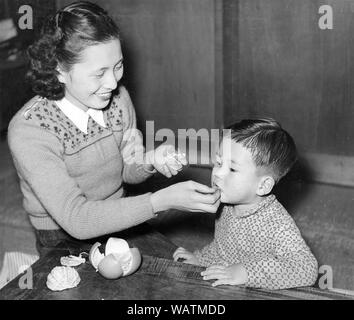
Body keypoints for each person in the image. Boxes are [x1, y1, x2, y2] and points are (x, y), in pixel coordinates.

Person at [7, 1, 220, 257]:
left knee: (180, 270)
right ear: (59, 70)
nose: (113, 82)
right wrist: (161, 201)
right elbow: (76, 219)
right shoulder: (30, 130)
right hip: (62, 236)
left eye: (118, 66)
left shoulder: (118, 99)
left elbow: (127, 168)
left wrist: (149, 160)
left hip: (120, 215)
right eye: (99, 74)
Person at [173, 118, 319, 290]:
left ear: (263, 185)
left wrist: (246, 273)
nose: (218, 173)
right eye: (218, 163)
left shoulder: (277, 225)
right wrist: (200, 260)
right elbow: (222, 249)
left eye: (232, 169)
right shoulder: (227, 205)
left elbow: (307, 268)